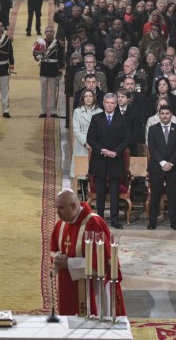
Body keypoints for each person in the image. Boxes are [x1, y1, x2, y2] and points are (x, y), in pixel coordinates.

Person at [50, 189, 126, 316]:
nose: (58, 213)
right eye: (57, 208)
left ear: (74, 206)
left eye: (61, 208)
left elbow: (101, 265)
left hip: (92, 288)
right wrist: (57, 258)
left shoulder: (93, 224)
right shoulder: (62, 223)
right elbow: (53, 250)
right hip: (68, 286)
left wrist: (69, 263)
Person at [86, 93, 131, 229]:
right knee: (100, 193)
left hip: (115, 160)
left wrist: (116, 152)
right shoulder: (96, 118)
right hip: (99, 160)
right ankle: (99, 219)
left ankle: (114, 220)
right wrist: (102, 150)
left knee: (114, 193)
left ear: (116, 104)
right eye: (107, 102)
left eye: (112, 103)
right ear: (103, 103)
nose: (110, 105)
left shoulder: (122, 119)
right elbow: (90, 139)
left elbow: (126, 139)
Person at [146, 105, 176, 230]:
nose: (165, 116)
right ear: (159, 115)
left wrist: (170, 163)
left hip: (173, 167)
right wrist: (162, 163)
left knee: (172, 196)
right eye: (162, 113)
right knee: (155, 196)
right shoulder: (152, 129)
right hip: (156, 167)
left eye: (167, 113)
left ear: (171, 115)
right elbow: (152, 148)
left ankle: (174, 222)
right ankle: (152, 221)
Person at [71, 90, 103, 178]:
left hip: (95, 144)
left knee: (94, 172)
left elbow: (101, 129)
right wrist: (86, 142)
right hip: (82, 144)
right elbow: (76, 130)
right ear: (83, 98)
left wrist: (94, 143)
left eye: (90, 96)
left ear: (94, 98)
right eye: (86, 96)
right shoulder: (77, 111)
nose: (88, 98)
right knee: (81, 172)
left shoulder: (100, 111)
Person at [36, 25, 64, 118]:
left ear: (54, 32)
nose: (49, 33)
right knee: (43, 91)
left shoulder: (58, 43)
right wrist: (37, 57)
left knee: (53, 92)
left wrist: (61, 68)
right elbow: (36, 53)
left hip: (53, 69)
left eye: (51, 31)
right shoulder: (41, 42)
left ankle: (53, 111)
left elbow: (61, 56)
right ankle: (43, 110)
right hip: (44, 68)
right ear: (45, 33)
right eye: (47, 31)